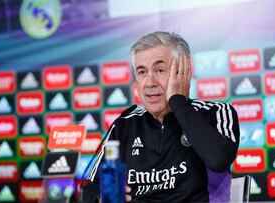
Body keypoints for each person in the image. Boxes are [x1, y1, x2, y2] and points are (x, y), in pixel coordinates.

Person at [84, 31, 240, 203]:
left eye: (159, 70)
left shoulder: (216, 113)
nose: (150, 82)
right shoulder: (124, 125)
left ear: (183, 72)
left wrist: (178, 101)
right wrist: (101, 199)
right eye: (142, 72)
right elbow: (90, 189)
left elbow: (218, 160)